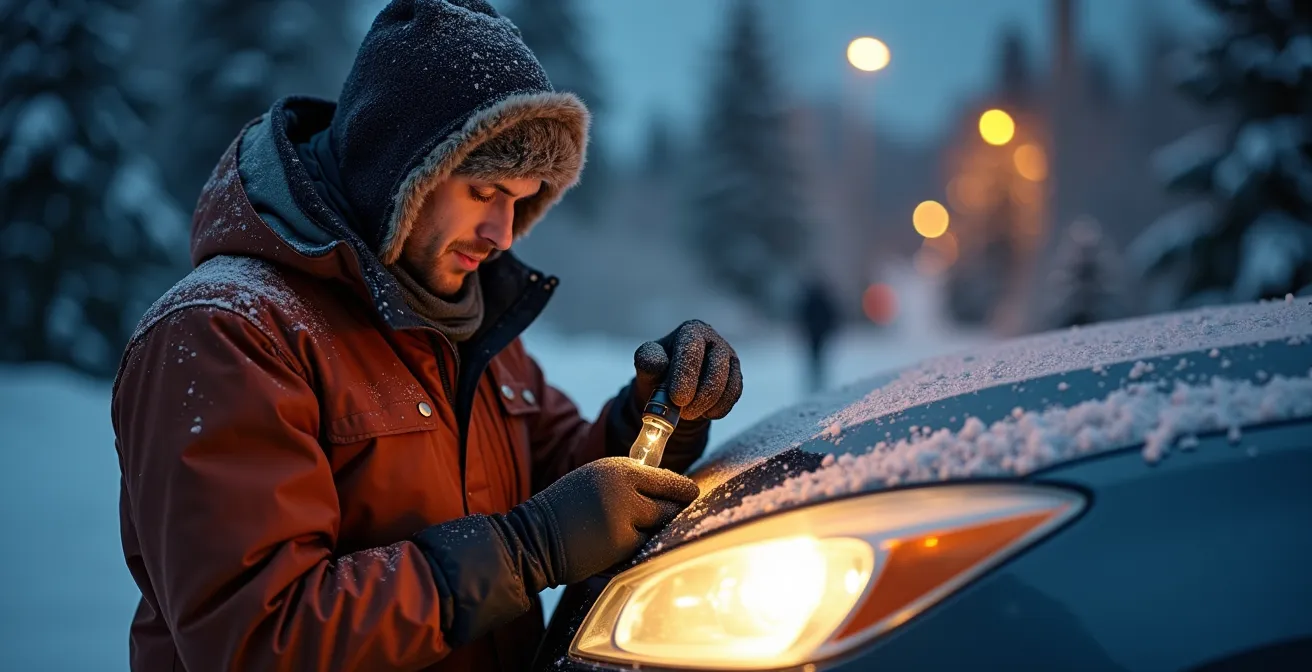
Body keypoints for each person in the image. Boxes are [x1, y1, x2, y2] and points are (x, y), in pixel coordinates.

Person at [109, 2, 743, 670]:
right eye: (485, 190)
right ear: (399, 170)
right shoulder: (230, 331)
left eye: (522, 198)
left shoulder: (456, 309)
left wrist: (652, 416)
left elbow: (557, 476)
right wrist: (527, 549)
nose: (502, 233)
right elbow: (257, 638)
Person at [796, 275, 839, 392]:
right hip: (817, 333)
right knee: (817, 357)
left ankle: (816, 380)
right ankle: (817, 380)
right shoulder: (821, 300)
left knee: (815, 357)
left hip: (814, 333)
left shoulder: (810, 300)